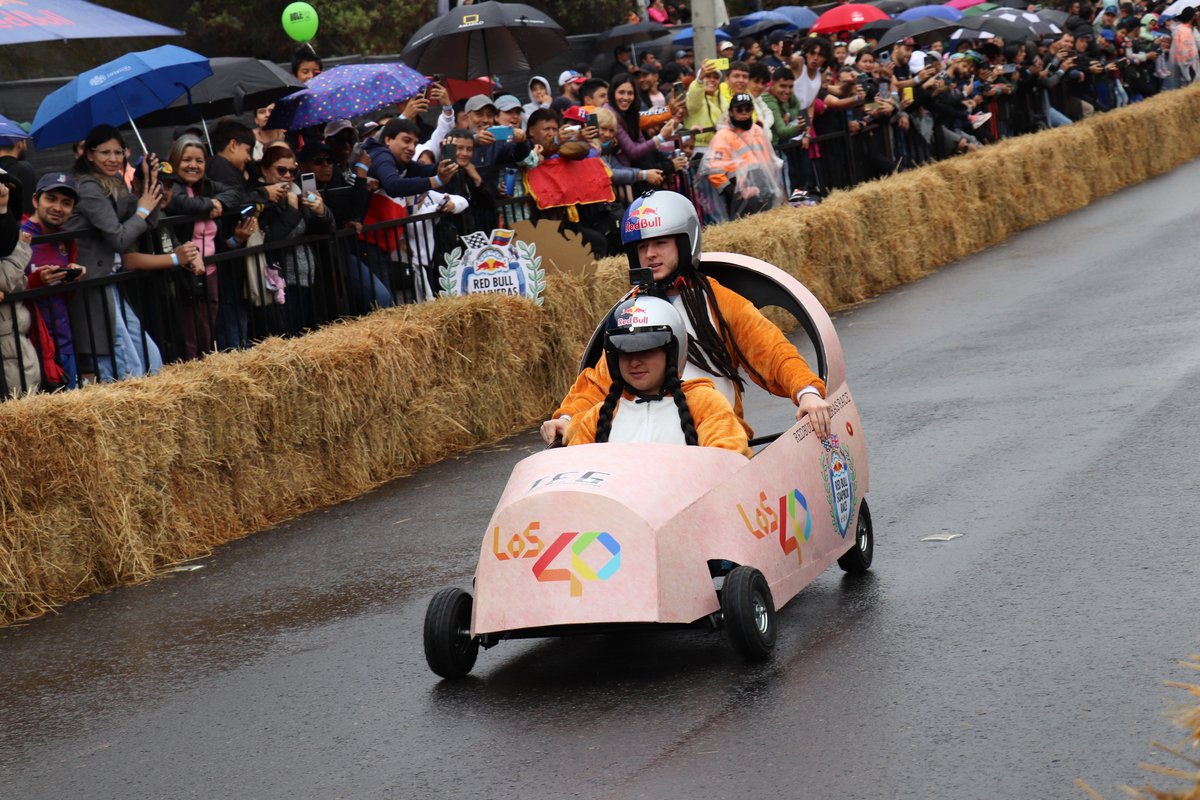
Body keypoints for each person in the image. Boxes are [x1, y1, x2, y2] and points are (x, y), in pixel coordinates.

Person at [540, 190, 831, 445]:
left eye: (660, 243)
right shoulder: (632, 313)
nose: (650, 254)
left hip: (717, 440)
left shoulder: (720, 303)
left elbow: (773, 353)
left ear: (684, 243)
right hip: (642, 445)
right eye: (641, 247)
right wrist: (567, 417)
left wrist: (807, 392)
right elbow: (601, 381)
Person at [567, 295, 751, 457]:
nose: (634, 362)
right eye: (625, 352)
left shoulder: (705, 403)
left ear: (671, 352)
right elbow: (572, 478)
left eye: (645, 350)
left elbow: (726, 464)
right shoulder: (598, 416)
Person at [66, 124, 164, 381]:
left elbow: (148, 220)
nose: (113, 159)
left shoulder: (116, 182)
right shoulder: (86, 187)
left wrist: (148, 178)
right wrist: (142, 210)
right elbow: (119, 237)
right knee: (125, 363)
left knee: (150, 356)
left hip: (110, 280)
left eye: (118, 153)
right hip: (93, 282)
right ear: (90, 155)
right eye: (105, 153)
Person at [160, 134, 246, 357]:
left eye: (199, 160)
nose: (193, 165)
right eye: (187, 159)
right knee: (189, 331)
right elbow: (181, 203)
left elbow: (236, 192)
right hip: (185, 270)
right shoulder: (172, 185)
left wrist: (219, 201)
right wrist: (210, 204)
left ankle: (206, 364)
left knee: (207, 327)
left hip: (211, 269)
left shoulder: (206, 186)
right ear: (175, 161)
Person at [21, 172, 87, 388]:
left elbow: (68, 294)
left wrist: (73, 276)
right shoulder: (17, 236)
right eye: (51, 199)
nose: (58, 208)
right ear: (35, 200)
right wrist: (36, 281)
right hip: (30, 345)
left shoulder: (66, 239)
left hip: (64, 341)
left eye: (66, 203)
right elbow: (8, 286)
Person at [700, 93, 785, 219]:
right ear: (731, 112)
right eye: (739, 110)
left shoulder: (757, 131)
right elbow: (715, 173)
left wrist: (778, 190)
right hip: (743, 198)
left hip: (766, 191)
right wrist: (738, 194)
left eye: (748, 109)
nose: (744, 113)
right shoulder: (722, 136)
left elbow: (770, 163)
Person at [0, 178, 38, 395]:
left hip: (16, 331)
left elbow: (15, 283)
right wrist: (22, 249)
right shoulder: (18, 241)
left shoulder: (10, 230)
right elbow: (4, 280)